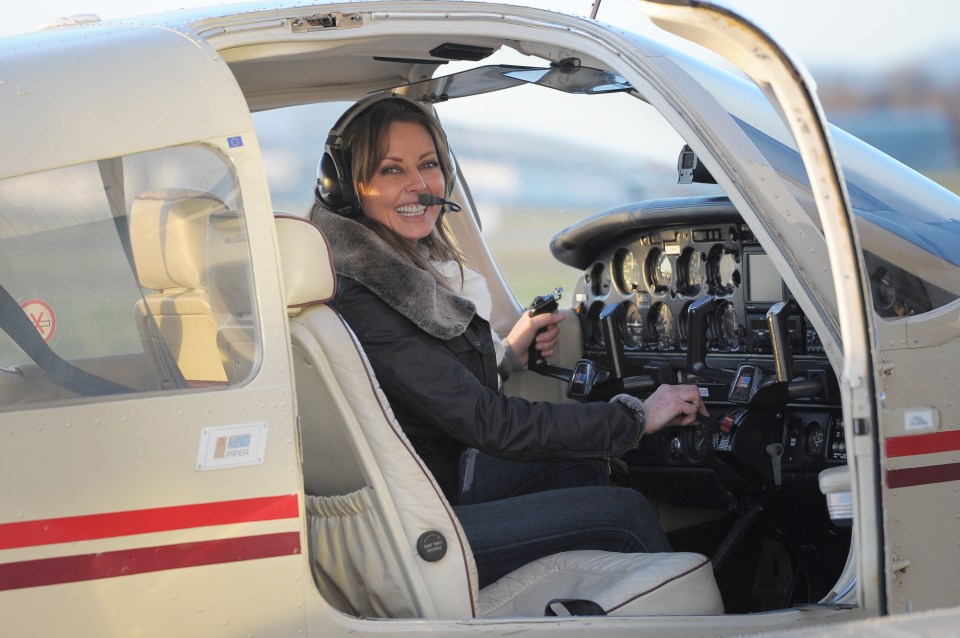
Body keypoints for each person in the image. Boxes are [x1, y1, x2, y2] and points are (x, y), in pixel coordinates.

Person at [309, 92, 708, 588]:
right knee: (623, 513)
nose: (420, 185)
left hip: (409, 501)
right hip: (415, 530)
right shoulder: (365, 303)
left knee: (580, 466)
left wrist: (506, 355)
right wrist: (637, 415)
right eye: (392, 170)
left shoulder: (361, 281)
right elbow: (489, 424)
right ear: (345, 187)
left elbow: (425, 392)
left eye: (429, 165)